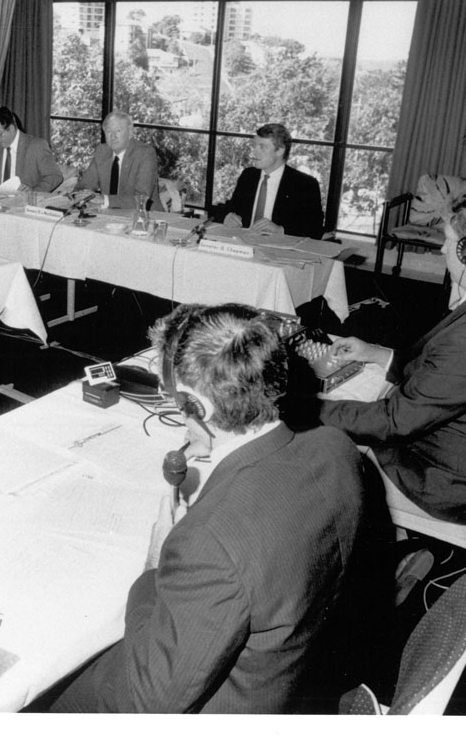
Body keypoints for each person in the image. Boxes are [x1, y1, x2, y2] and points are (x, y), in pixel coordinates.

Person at [48, 303, 365, 713]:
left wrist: (154, 565)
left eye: (174, 398)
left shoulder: (209, 544)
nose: (174, 407)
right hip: (289, 676)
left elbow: (148, 703)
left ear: (199, 406)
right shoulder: (335, 448)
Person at [320, 190, 466, 524]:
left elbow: (393, 423)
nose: (442, 248)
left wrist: (307, 407)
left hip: (446, 483)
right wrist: (378, 354)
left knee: (313, 452)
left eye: (448, 240)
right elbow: (450, 373)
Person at [211, 123, 324, 239]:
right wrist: (226, 216)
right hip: (243, 244)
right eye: (254, 145)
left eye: (262, 147)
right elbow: (226, 208)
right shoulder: (248, 176)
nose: (255, 151)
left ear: (280, 150)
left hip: (280, 250)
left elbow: (315, 230)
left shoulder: (304, 184)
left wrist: (280, 230)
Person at [76, 110, 163, 211]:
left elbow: (141, 198)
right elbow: (85, 185)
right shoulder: (102, 152)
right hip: (109, 215)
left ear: (130, 133)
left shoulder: (145, 154)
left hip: (144, 216)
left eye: (118, 131)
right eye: (108, 131)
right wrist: (80, 196)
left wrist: (104, 200)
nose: (113, 136)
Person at [0, 106, 62, 192]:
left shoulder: (37, 146)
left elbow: (54, 176)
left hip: (24, 202)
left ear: (12, 128)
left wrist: (33, 192)